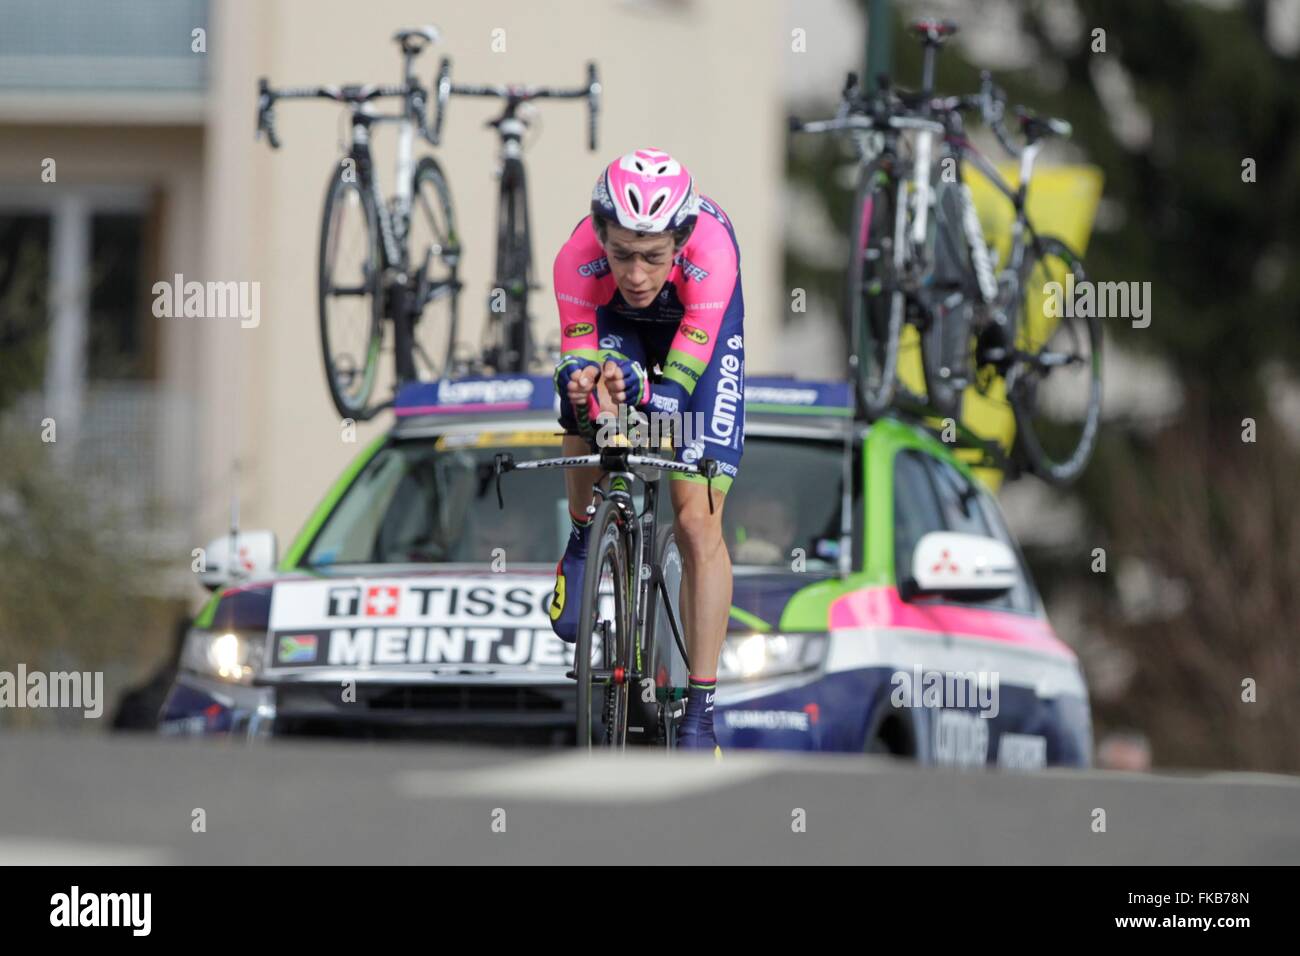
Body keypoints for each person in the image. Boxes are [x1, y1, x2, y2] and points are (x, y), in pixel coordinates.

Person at [547, 148, 745, 755]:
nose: (635, 274)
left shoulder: (713, 252)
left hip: (697, 335)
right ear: (601, 236)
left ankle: (701, 712)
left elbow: (679, 390)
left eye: (653, 257)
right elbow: (580, 354)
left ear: (679, 242)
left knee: (695, 518)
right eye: (622, 254)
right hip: (621, 332)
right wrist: (584, 388)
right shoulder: (576, 260)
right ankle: (584, 539)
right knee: (584, 399)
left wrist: (653, 398)